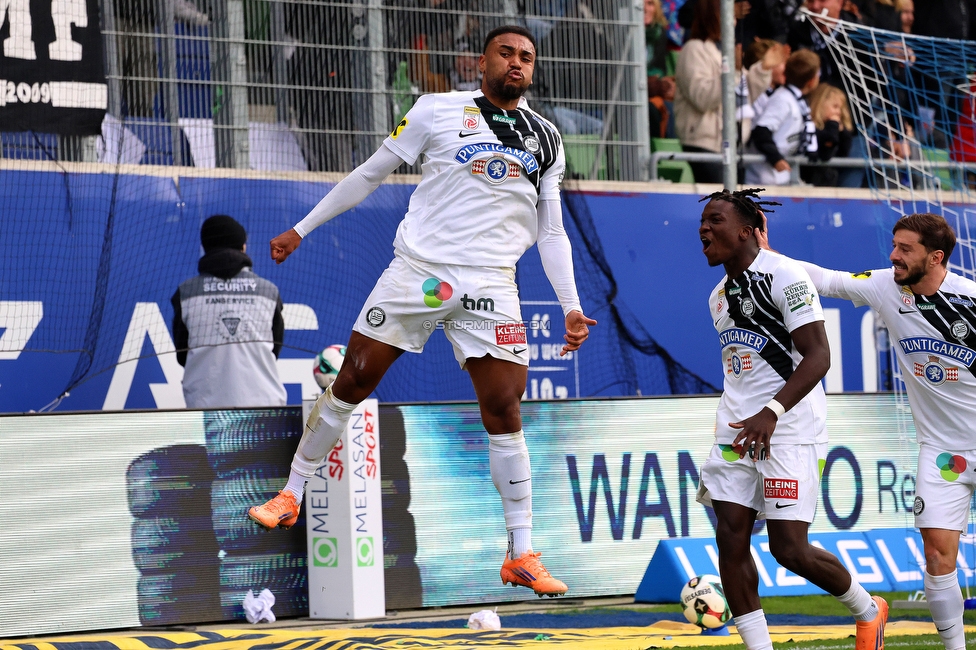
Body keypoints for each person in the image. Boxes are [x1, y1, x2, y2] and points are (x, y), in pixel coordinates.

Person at [247, 24, 597, 598]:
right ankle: (292, 492)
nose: (516, 63)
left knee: (505, 408)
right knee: (353, 378)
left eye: (526, 57)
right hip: (421, 272)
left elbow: (551, 229)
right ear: (480, 62)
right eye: (506, 53)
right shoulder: (436, 110)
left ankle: (521, 553)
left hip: (492, 283)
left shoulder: (547, 138)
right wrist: (302, 228)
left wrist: (571, 306)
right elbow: (369, 174)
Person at [758, 211, 976, 650]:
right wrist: (764, 256)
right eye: (894, 246)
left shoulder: (970, 301)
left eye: (905, 249)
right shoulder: (884, 286)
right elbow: (825, 279)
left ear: (936, 258)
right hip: (942, 452)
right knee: (936, 555)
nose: (893, 256)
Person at [697, 188, 888, 650]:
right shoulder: (718, 296)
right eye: (702, 222)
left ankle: (869, 610)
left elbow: (819, 356)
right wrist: (748, 415)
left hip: (789, 427)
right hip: (736, 430)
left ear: (747, 229)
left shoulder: (786, 276)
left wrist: (772, 412)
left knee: (789, 550)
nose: (704, 229)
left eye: (715, 220)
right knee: (731, 538)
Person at [172, 215, 287, 408]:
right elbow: (274, 350)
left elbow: (182, 354)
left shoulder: (186, 293)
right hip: (265, 408)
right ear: (243, 247)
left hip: (204, 410)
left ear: (205, 248)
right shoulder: (268, 291)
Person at [745, 49, 821, 185]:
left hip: (781, 177)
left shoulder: (799, 101)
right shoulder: (782, 99)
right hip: (763, 179)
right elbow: (761, 131)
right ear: (811, 81)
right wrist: (776, 159)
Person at [801, 83, 854, 186]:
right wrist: (833, 125)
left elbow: (844, 153)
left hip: (827, 181)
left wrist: (843, 133)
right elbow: (826, 153)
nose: (839, 112)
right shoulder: (811, 127)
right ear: (820, 104)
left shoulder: (835, 129)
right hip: (809, 181)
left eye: (840, 108)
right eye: (835, 107)